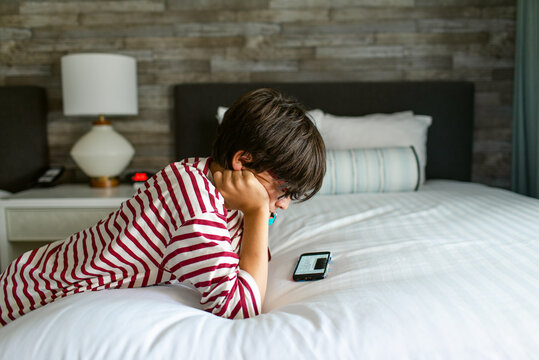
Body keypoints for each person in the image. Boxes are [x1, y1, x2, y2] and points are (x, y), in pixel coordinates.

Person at [0, 88, 326, 326]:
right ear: (243, 161)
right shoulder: (197, 204)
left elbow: (243, 259)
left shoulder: (208, 173)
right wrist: (257, 213)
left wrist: (257, 210)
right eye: (283, 188)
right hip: (30, 294)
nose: (282, 204)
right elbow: (241, 308)